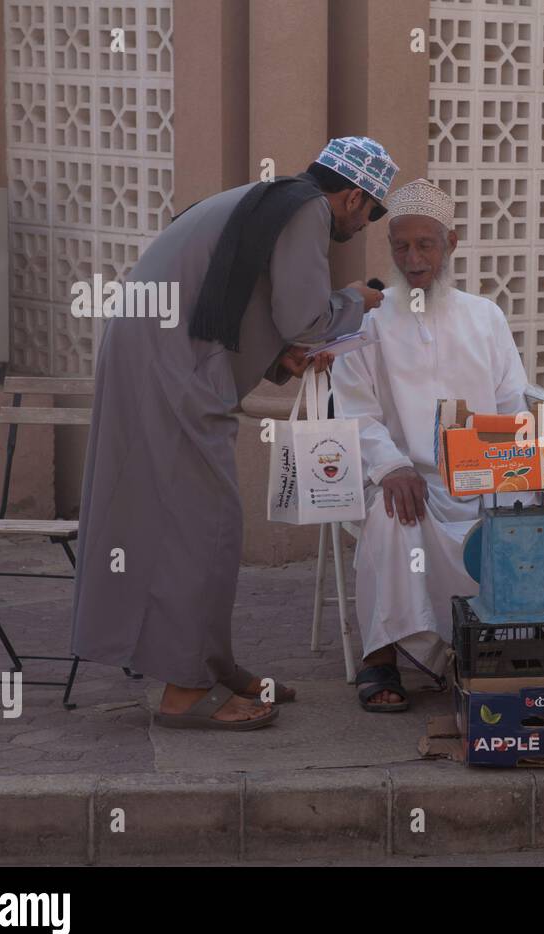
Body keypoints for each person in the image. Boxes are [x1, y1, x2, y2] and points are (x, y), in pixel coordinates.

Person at [71, 136, 398, 730]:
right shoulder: (306, 211)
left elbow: (239, 300)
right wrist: (357, 300)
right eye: (371, 212)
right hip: (170, 368)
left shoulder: (272, 199)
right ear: (353, 196)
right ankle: (184, 692)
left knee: (193, 521)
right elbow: (303, 316)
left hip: (160, 357)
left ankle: (209, 665)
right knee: (205, 523)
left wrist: (281, 361)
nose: (364, 223)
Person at [330, 179, 544, 711]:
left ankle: (526, 644)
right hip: (410, 480)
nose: (413, 257)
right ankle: (381, 659)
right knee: (391, 515)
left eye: (426, 244)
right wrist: (391, 466)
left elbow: (513, 403)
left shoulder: (484, 315)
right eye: (401, 245)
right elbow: (355, 412)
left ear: (452, 242)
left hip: (484, 474)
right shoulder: (368, 319)